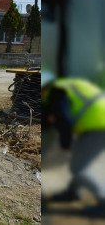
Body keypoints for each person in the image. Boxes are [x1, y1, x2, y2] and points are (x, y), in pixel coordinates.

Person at [42, 71, 105, 217]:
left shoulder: (56, 92)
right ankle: (72, 193)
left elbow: (64, 120)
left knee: (80, 168)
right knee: (77, 160)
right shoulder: (66, 85)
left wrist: (65, 143)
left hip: (98, 127)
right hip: (96, 123)